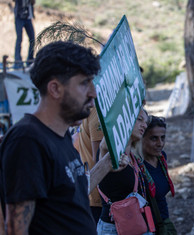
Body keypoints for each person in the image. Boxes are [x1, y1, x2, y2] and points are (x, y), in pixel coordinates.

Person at [0, 41, 112, 234]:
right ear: (55, 89)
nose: (93, 93)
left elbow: (70, 198)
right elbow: (16, 228)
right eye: (84, 83)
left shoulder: (61, 137)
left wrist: (108, 162)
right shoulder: (27, 140)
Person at [97, 108, 151, 234]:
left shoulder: (134, 157)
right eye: (139, 119)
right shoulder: (109, 152)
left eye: (146, 122)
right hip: (113, 229)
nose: (144, 125)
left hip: (137, 225)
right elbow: (104, 145)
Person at [137, 116, 176, 234]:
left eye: (162, 138)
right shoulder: (136, 167)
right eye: (154, 138)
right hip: (145, 227)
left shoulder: (161, 158)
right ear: (141, 138)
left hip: (162, 222)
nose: (160, 143)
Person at [77, 107, 104, 222]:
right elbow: (99, 159)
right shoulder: (94, 111)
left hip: (93, 192)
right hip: (95, 194)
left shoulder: (94, 110)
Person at [13, 0, 35, 69]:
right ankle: (17, 61)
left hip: (28, 17)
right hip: (19, 17)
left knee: (32, 39)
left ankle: (30, 60)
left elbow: (33, 2)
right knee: (19, 39)